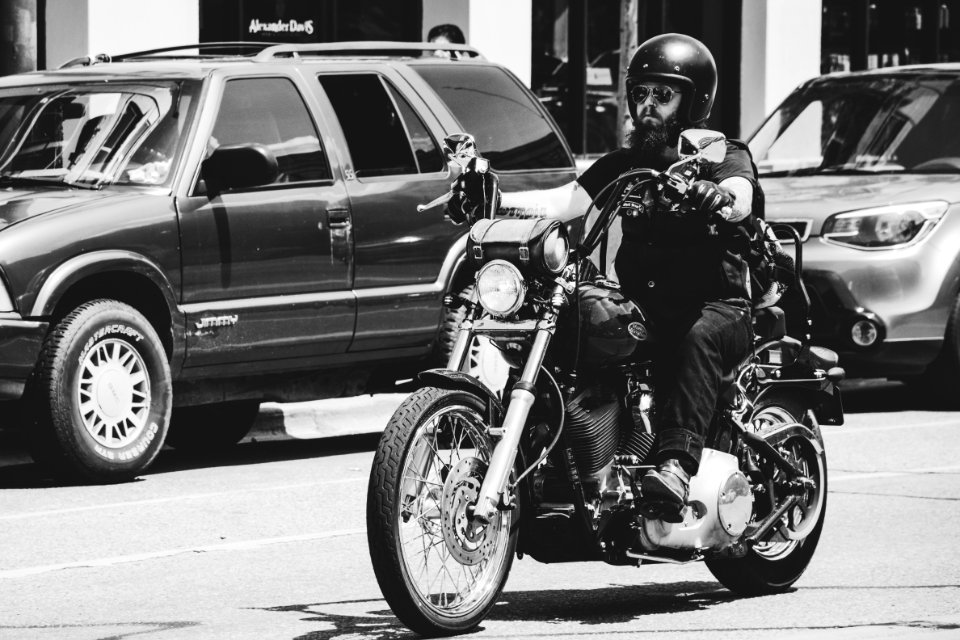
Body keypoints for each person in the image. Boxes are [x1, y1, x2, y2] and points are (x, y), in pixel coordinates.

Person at [449, 33, 759, 523]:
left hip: (717, 308)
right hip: (644, 306)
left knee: (694, 338)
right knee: (574, 320)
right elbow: (561, 201)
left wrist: (719, 195)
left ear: (693, 100)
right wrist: (492, 193)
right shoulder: (624, 164)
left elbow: (741, 192)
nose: (648, 106)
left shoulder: (720, 155)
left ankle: (675, 465)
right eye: (641, 94)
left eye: (663, 94)